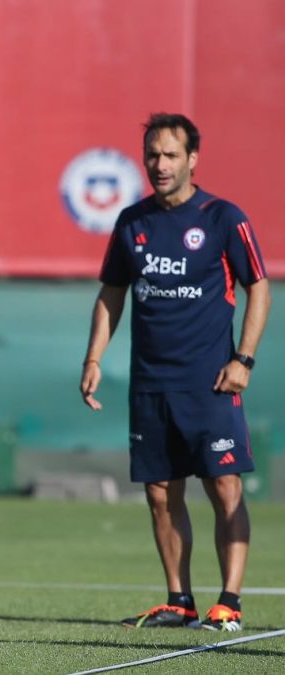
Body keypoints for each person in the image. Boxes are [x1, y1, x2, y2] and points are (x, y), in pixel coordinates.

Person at [80, 113, 271, 632]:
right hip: (151, 384)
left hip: (211, 383)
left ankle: (228, 602)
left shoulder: (222, 218)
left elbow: (259, 286)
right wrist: (94, 357)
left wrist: (244, 359)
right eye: (152, 156)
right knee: (160, 492)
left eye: (169, 155)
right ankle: (179, 600)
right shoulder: (132, 222)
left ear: (192, 159)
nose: (159, 165)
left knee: (224, 487)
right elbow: (111, 294)